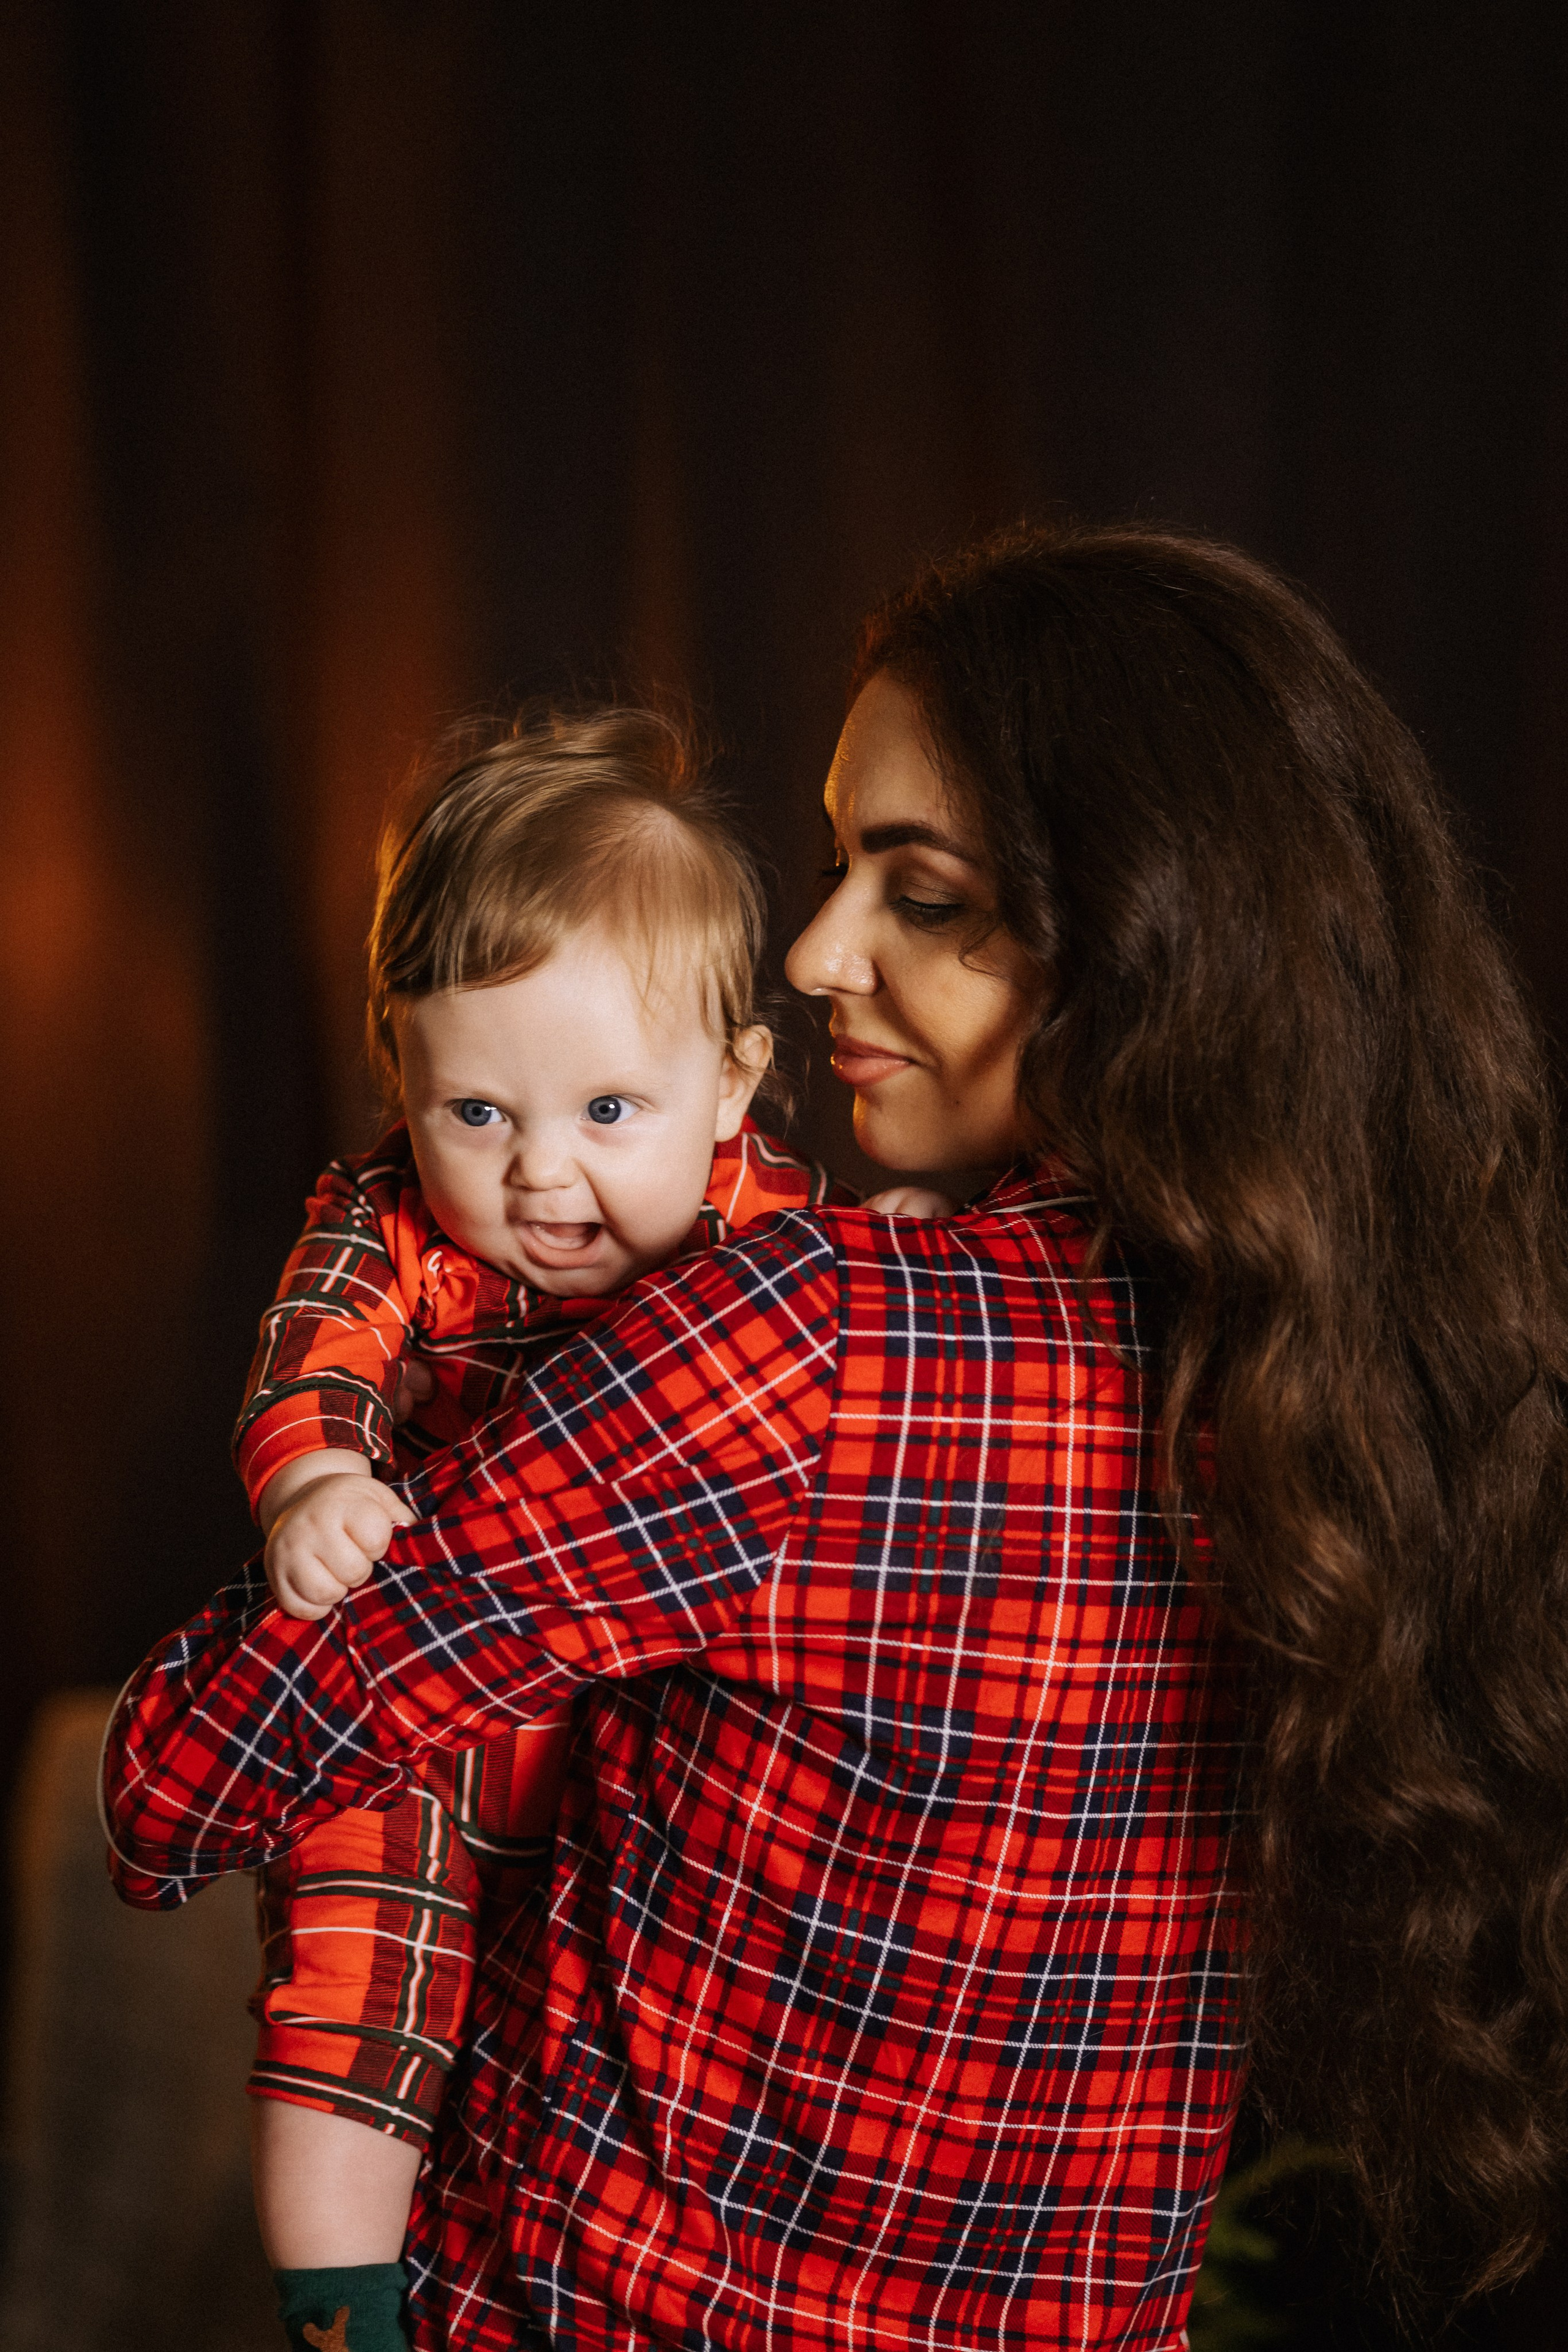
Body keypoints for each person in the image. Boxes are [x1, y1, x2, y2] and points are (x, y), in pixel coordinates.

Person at [103, 524, 1568, 2351]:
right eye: (829, 867)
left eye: (920, 892)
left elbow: (178, 1781)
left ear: (1139, 936)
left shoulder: (804, 1338)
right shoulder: (1354, 1384)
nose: (809, 956)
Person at [233, 706, 895, 2350]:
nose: (539, 1176)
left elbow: (868, 1329)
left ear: (735, 1086)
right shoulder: (390, 1223)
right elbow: (316, 1350)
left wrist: (915, 1249)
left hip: (630, 1750)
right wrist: (315, 1479)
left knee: (604, 2042)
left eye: (609, 1112)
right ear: (402, 1068)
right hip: (417, 1743)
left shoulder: (778, 1242)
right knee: (347, 2016)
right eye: (479, 1113)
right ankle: (337, 2316)